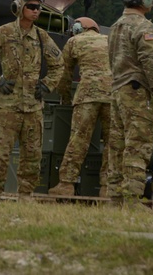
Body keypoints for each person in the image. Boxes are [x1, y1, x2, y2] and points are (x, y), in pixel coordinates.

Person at [0, 0, 63, 198]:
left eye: (38, 7)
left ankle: (26, 195)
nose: (36, 11)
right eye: (31, 7)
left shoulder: (41, 36)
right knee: (0, 154)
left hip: (33, 108)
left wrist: (48, 85)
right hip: (7, 107)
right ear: (19, 8)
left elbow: (58, 64)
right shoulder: (3, 33)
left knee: (32, 156)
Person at [107, 0, 153, 207]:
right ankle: (132, 199)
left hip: (117, 91)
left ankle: (114, 199)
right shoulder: (144, 27)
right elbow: (149, 63)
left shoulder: (116, 25)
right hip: (135, 92)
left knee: (117, 146)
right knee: (137, 144)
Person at [49, 17, 112, 197]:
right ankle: (107, 187)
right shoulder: (110, 40)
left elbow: (64, 75)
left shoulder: (74, 41)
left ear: (78, 28)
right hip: (113, 96)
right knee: (112, 143)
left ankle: (66, 184)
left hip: (87, 96)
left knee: (79, 139)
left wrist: (66, 99)